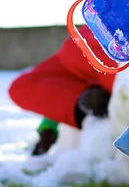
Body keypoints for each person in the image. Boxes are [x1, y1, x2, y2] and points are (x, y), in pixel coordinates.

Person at [8, 26, 116, 155]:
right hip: (92, 47)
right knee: (21, 87)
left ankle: (114, 92)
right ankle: (90, 102)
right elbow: (54, 88)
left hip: (111, 57)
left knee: (78, 49)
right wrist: (49, 127)